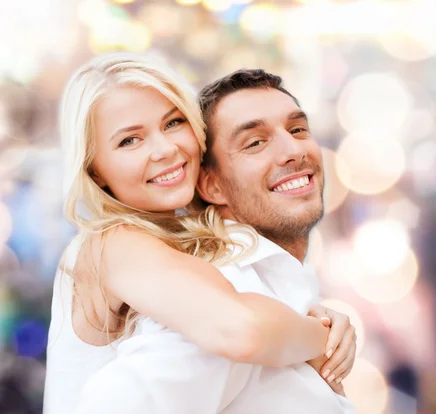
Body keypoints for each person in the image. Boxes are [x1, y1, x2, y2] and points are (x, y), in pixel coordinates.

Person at [44, 54, 356, 414]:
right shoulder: (112, 243)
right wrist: (323, 336)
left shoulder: (190, 249)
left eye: (173, 123)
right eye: (129, 141)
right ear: (95, 170)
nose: (165, 150)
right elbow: (241, 329)